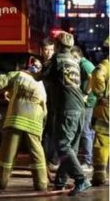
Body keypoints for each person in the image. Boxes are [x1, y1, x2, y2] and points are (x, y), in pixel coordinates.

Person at [36, 31, 91, 195]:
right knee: (70, 148)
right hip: (80, 108)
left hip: (67, 109)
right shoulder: (74, 61)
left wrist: (26, 73)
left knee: (62, 145)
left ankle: (81, 179)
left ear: (58, 46)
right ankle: (60, 182)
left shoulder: (57, 59)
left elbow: (40, 76)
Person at [0, 64, 49, 192]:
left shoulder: (18, 75)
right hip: (35, 121)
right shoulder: (40, 83)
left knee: (8, 152)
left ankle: (0, 180)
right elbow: (44, 108)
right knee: (36, 153)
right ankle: (41, 183)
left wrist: (0, 93)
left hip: (16, 119)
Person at [72, 46, 97, 170]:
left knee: (84, 131)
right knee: (85, 130)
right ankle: (85, 160)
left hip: (87, 102)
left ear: (76, 56)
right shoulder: (84, 64)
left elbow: (92, 78)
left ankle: (88, 162)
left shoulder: (84, 64)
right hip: (87, 101)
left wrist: (86, 94)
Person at [39, 38, 59, 171]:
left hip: (53, 103)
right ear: (41, 50)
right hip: (43, 102)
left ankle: (52, 160)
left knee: (51, 132)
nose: (49, 52)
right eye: (46, 50)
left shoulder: (55, 64)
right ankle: (44, 160)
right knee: (44, 132)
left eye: (51, 50)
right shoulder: (42, 64)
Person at [89, 56, 109, 186]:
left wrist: (101, 94)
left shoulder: (107, 64)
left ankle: (100, 175)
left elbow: (97, 75)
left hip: (106, 108)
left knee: (102, 138)